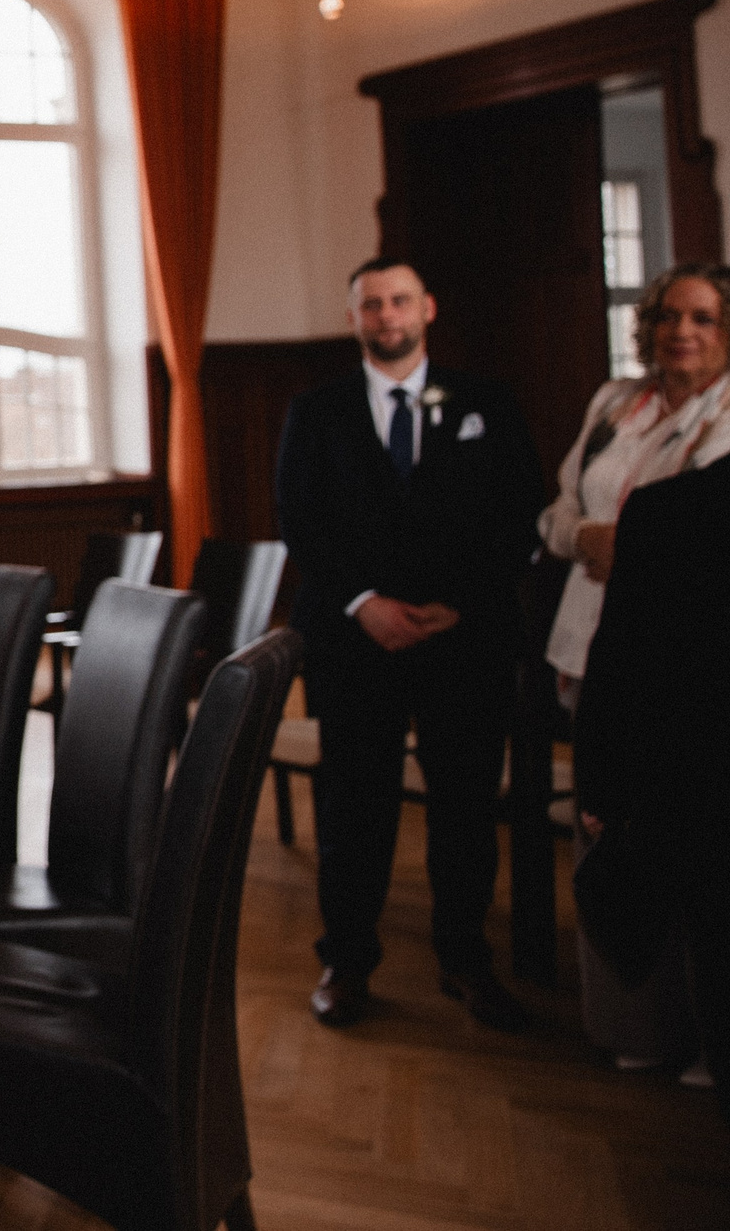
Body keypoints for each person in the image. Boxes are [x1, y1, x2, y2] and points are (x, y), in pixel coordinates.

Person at [273, 258, 544, 1033]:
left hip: (466, 639)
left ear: (427, 308)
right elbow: (299, 517)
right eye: (371, 304)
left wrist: (462, 602)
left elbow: (520, 510)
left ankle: (466, 958)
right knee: (354, 807)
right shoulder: (316, 410)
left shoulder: (485, 402)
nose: (386, 315)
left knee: (465, 806)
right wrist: (365, 603)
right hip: (357, 640)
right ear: (353, 317)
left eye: (399, 300)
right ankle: (347, 961)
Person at [539, 260, 730, 1068]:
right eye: (668, 316)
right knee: (606, 827)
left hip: (680, 659)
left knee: (688, 836)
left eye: (704, 317)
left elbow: (693, 535)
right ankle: (633, 1031)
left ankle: (704, 1037)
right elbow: (557, 513)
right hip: (589, 640)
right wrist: (588, 536)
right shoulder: (615, 403)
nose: (682, 331)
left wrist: (634, 545)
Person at [574, 450, 730, 1119]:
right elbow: (622, 659)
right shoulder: (671, 510)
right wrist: (606, 791)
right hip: (708, 807)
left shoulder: (670, 510)